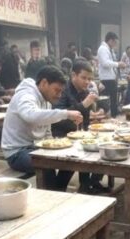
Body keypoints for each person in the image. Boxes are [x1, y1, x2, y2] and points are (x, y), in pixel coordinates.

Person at [1, 65, 83, 190]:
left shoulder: (46, 100)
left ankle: (58, 192)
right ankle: (54, 195)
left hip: (35, 146)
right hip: (17, 153)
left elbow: (47, 131)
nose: (59, 95)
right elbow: (31, 115)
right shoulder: (26, 95)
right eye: (57, 90)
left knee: (70, 159)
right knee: (46, 164)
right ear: (44, 83)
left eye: (61, 91)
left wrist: (55, 144)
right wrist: (65, 113)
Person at [51, 60, 108, 194]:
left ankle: (89, 184)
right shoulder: (63, 90)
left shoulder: (84, 90)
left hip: (79, 133)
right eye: (83, 78)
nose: (87, 82)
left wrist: (100, 110)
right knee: (75, 158)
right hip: (61, 134)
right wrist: (84, 104)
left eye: (89, 79)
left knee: (102, 148)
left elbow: (87, 116)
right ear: (73, 75)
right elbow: (57, 117)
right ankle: (57, 190)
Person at [97, 32, 125, 118]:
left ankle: (113, 116)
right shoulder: (102, 49)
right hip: (106, 78)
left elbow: (112, 62)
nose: (115, 44)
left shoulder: (110, 49)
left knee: (113, 99)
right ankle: (103, 116)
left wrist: (118, 65)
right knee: (104, 99)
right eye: (115, 42)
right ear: (110, 40)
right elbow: (105, 63)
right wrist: (117, 64)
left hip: (111, 78)